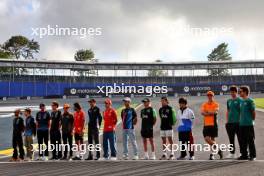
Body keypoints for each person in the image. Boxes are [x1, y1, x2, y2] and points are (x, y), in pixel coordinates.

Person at [201, 91, 223, 160]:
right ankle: (218, 149)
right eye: (208, 95)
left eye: (211, 95)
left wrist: (207, 112)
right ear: (207, 96)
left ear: (213, 96)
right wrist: (210, 113)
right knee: (207, 139)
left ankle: (212, 154)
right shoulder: (204, 104)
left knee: (213, 139)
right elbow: (202, 113)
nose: (209, 96)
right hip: (206, 124)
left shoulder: (216, 104)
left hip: (213, 124)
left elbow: (215, 112)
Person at [238, 86, 256, 161]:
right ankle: (244, 155)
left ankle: (253, 155)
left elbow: (253, 112)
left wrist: (252, 120)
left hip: (248, 124)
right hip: (241, 124)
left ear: (245, 92)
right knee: (242, 140)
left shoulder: (250, 101)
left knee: (250, 140)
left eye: (240, 91)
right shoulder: (241, 101)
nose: (239, 93)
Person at [226, 86, 242, 159]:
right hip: (230, 123)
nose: (232, 93)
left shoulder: (240, 100)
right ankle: (232, 153)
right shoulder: (229, 101)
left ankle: (242, 152)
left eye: (233, 92)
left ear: (236, 92)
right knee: (231, 139)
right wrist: (227, 121)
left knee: (240, 138)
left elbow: (242, 111)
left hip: (238, 122)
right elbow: (228, 111)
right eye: (231, 92)